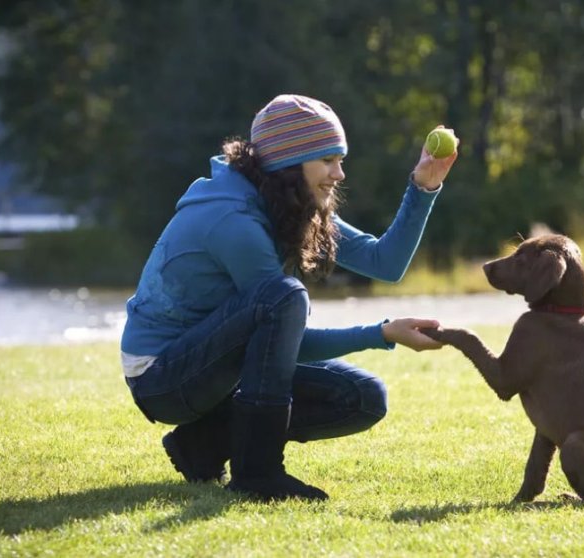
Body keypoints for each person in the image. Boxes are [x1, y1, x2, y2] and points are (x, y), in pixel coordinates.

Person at [120, 94, 458, 501]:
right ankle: (257, 473)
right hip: (162, 377)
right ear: (289, 163)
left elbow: (383, 262)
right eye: (328, 160)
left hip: (216, 367)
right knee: (284, 297)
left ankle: (203, 445)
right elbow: (287, 334)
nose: (339, 173)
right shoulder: (234, 220)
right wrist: (381, 333)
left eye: (340, 158)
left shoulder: (287, 201)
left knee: (362, 398)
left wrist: (425, 185)